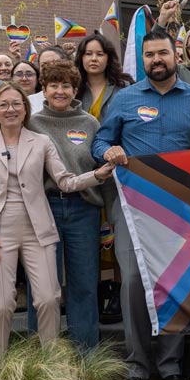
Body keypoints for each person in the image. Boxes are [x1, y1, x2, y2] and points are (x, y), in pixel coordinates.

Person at [91, 29, 190, 380]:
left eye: (162, 53)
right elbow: (100, 140)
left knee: (175, 281)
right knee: (131, 282)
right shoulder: (125, 99)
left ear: (176, 55)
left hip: (181, 209)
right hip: (134, 209)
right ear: (142, 59)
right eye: (149, 55)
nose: (156, 60)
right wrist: (107, 151)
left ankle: (171, 365)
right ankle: (137, 365)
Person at [0, 82, 112, 364]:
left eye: (16, 104)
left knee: (48, 299)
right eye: (4, 105)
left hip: (38, 229)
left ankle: (49, 368)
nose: (11, 109)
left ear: (26, 109)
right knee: (0, 304)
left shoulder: (41, 142)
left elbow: (65, 180)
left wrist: (97, 175)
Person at [29, 61, 106, 350]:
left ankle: (86, 354)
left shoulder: (90, 123)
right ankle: (41, 357)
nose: (59, 91)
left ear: (75, 89)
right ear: (44, 89)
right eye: (53, 85)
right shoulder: (32, 122)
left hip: (84, 208)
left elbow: (101, 170)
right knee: (43, 286)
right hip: (44, 207)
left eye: (66, 85)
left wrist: (107, 217)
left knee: (84, 283)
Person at [74, 31, 133, 324]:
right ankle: (99, 289)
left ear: (108, 57)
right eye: (88, 54)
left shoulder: (123, 89)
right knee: (90, 236)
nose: (93, 59)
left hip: (117, 172)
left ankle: (120, 293)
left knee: (118, 230)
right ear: (81, 59)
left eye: (99, 53)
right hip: (83, 172)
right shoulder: (73, 90)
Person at [28, 45, 70, 114]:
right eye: (44, 65)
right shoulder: (29, 102)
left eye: (54, 63)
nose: (49, 68)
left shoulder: (74, 98)